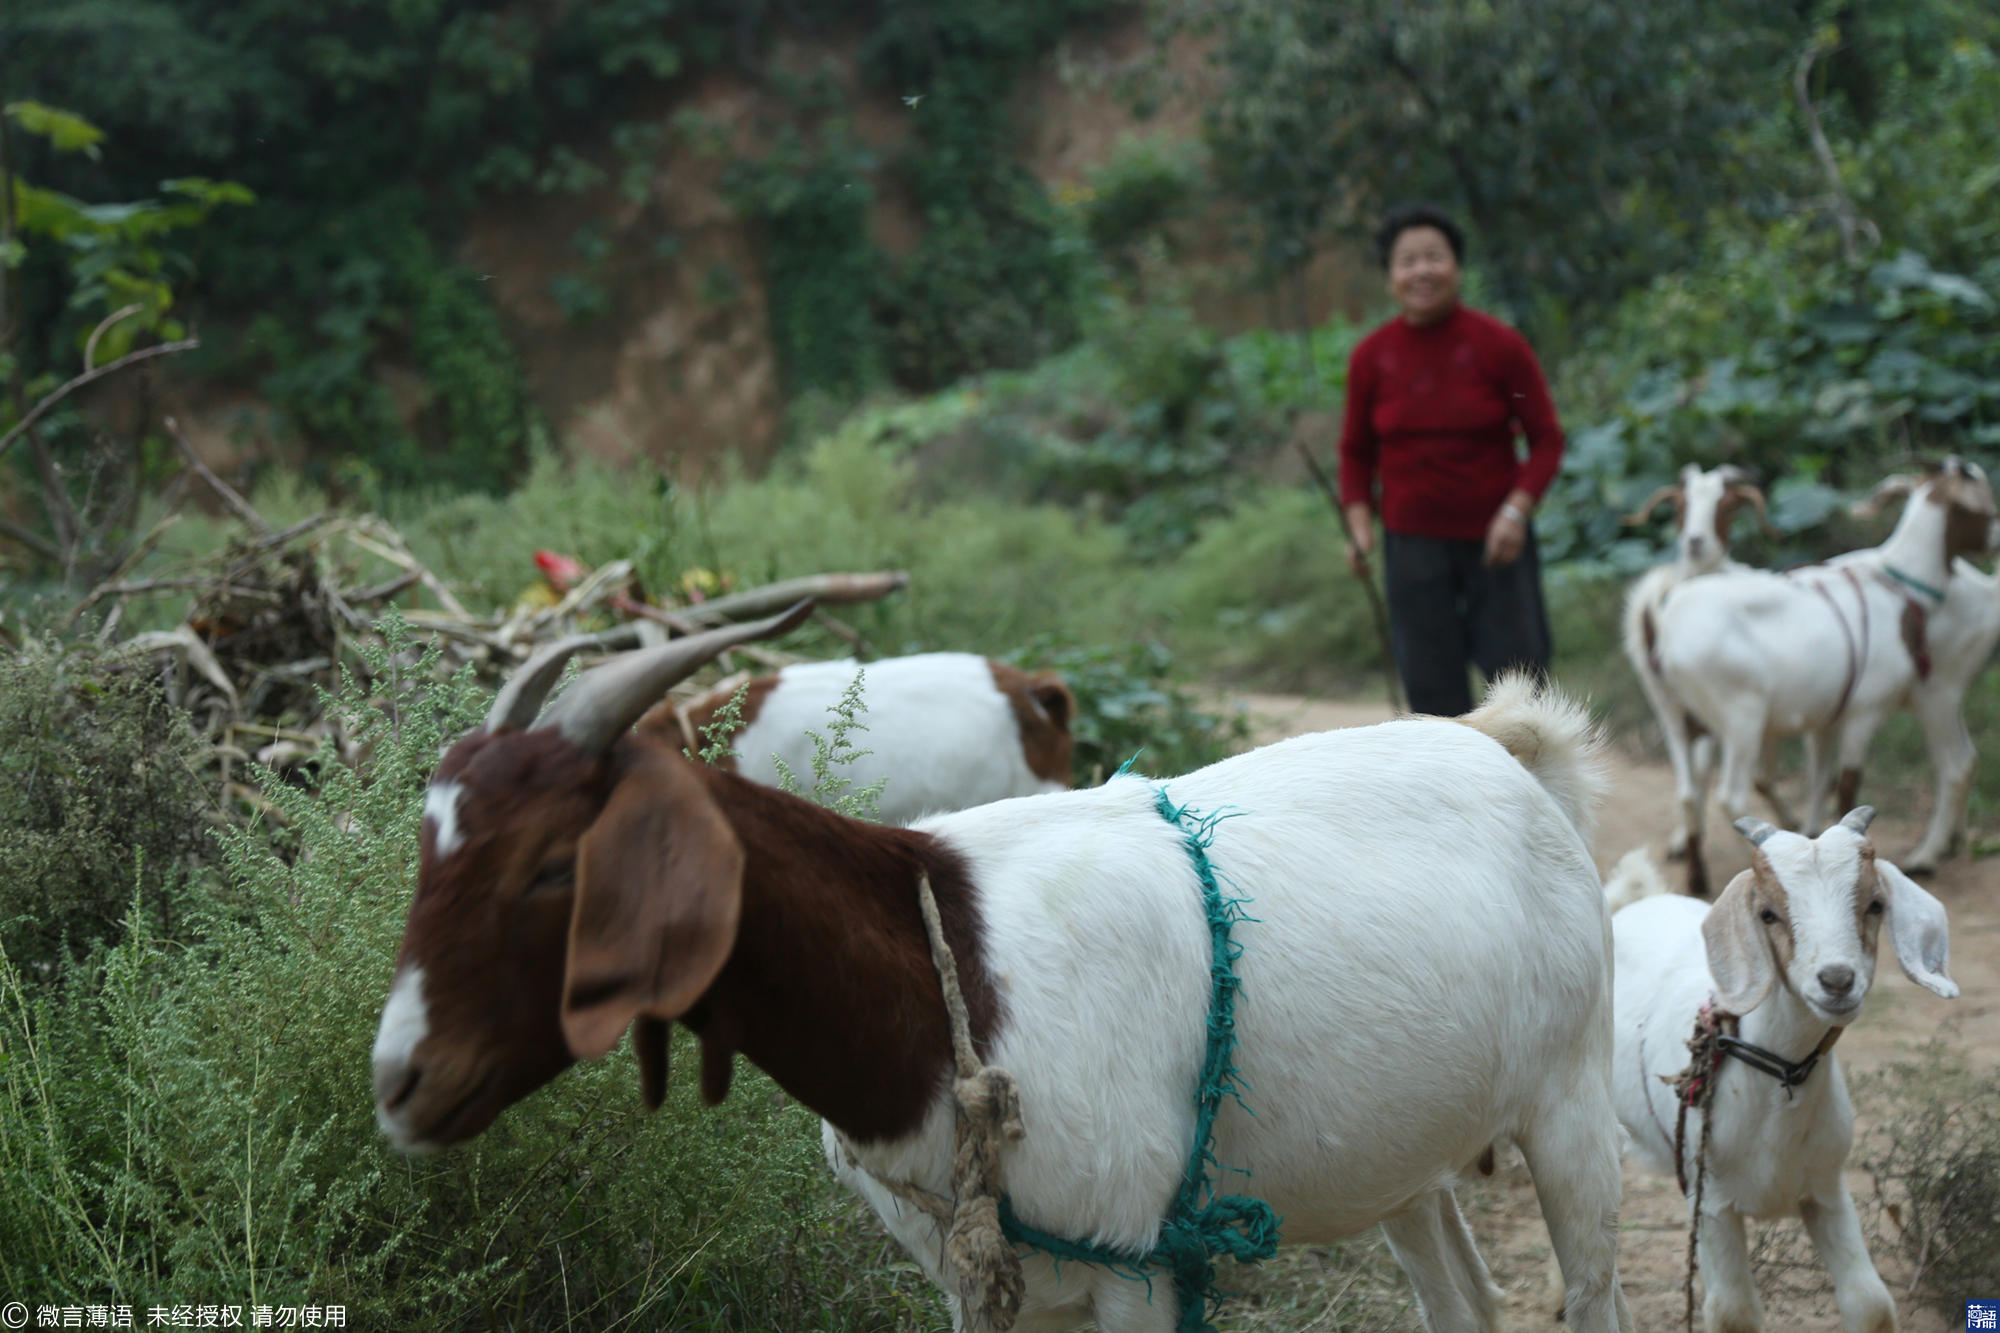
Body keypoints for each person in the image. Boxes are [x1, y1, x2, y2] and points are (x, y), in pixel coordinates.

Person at [1337, 205, 1564, 717]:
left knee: (1520, 690)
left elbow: (1546, 440)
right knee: (1432, 693)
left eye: (1434, 257)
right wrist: (1358, 525)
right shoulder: (1371, 357)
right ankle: (1452, 797)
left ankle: (1534, 794)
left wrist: (1516, 514)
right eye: (1407, 261)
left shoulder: (1499, 345)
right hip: (1412, 548)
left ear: (1457, 268)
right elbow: (1354, 452)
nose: (1422, 271)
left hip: (1498, 545)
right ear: (1390, 277)